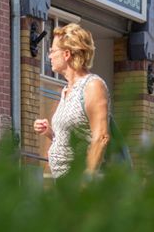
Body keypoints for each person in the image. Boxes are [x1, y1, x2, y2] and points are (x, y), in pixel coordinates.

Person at [33, 23, 110, 178]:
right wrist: (50, 133)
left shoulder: (92, 86)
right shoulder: (66, 91)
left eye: (52, 51)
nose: (49, 56)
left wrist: (85, 181)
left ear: (67, 54)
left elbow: (101, 137)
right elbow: (75, 140)